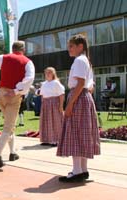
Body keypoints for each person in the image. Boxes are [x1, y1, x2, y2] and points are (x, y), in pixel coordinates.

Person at [57, 34, 100, 182]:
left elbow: (81, 83)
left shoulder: (80, 60)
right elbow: (90, 85)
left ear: (80, 46)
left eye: (71, 46)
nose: (69, 49)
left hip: (78, 97)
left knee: (76, 133)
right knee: (82, 133)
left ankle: (77, 171)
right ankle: (82, 170)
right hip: (83, 97)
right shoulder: (85, 61)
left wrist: (69, 105)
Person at [39, 67, 65, 147]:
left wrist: (61, 106)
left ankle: (57, 140)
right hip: (46, 104)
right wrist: (42, 105)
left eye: (49, 72)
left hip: (54, 104)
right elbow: (42, 95)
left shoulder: (56, 83)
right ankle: (47, 139)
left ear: (53, 73)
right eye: (46, 73)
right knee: (46, 121)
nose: (47, 74)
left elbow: (61, 95)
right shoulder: (44, 84)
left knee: (55, 121)